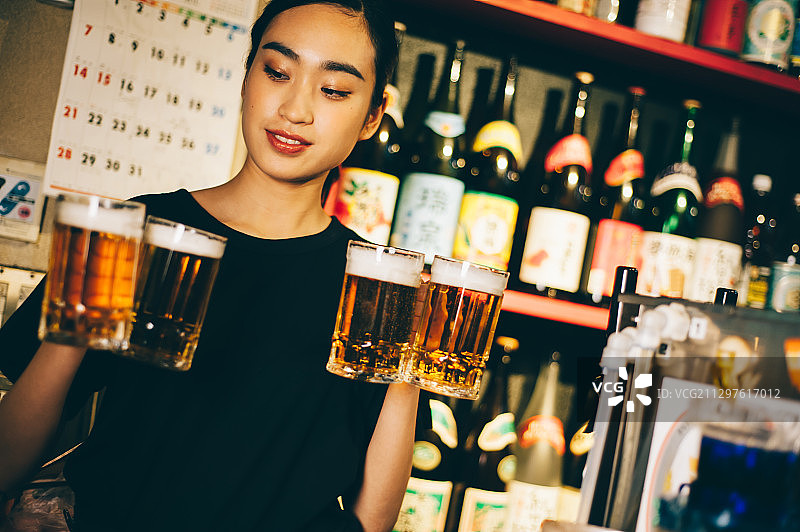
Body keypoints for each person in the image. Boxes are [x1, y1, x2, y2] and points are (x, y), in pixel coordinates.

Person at [0, 1, 421, 530]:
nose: (295, 108)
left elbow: (372, 520)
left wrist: (408, 369)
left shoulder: (379, 284)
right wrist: (79, 321)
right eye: (277, 72)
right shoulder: (138, 228)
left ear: (373, 116)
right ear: (247, 77)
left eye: (334, 89)